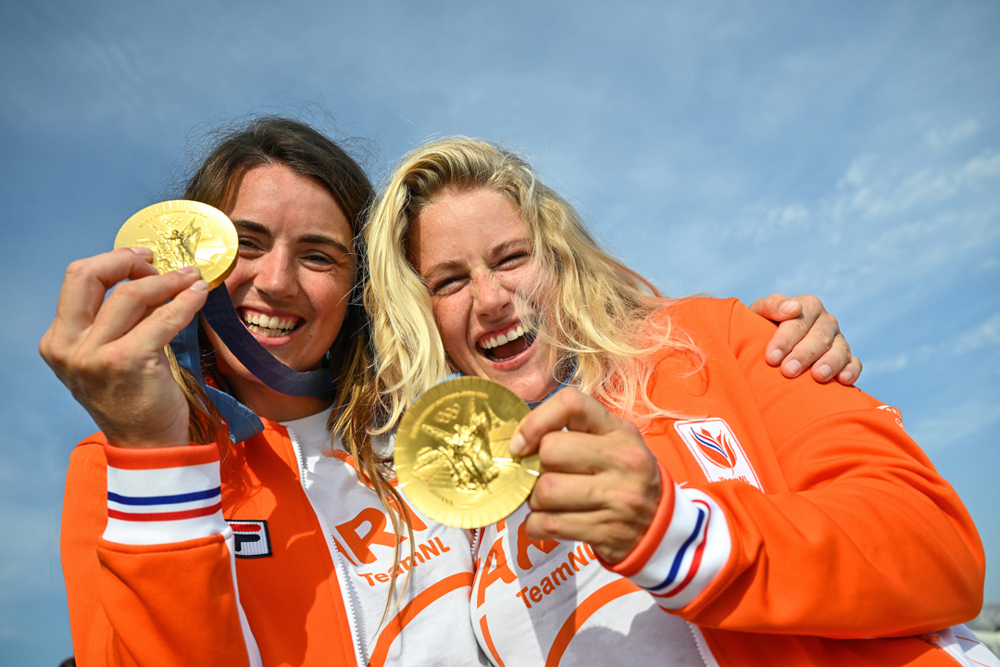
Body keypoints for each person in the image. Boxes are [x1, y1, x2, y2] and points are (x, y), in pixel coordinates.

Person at [42, 116, 861, 667]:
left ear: (366, 289)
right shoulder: (127, 468)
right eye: (245, 243)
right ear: (194, 254)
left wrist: (745, 343)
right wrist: (156, 458)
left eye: (320, 255)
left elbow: (586, 331)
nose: (277, 280)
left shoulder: (445, 420)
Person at [364, 137, 995, 667]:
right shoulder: (457, 510)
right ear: (422, 314)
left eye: (512, 258)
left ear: (557, 259)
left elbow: (940, 552)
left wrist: (676, 534)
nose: (491, 296)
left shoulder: (710, 342)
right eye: (449, 281)